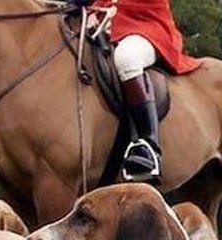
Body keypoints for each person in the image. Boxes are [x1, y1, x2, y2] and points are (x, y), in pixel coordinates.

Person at [79, 0, 202, 181]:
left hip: (146, 25)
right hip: (102, 21)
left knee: (127, 59)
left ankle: (148, 145)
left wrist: (113, 9)